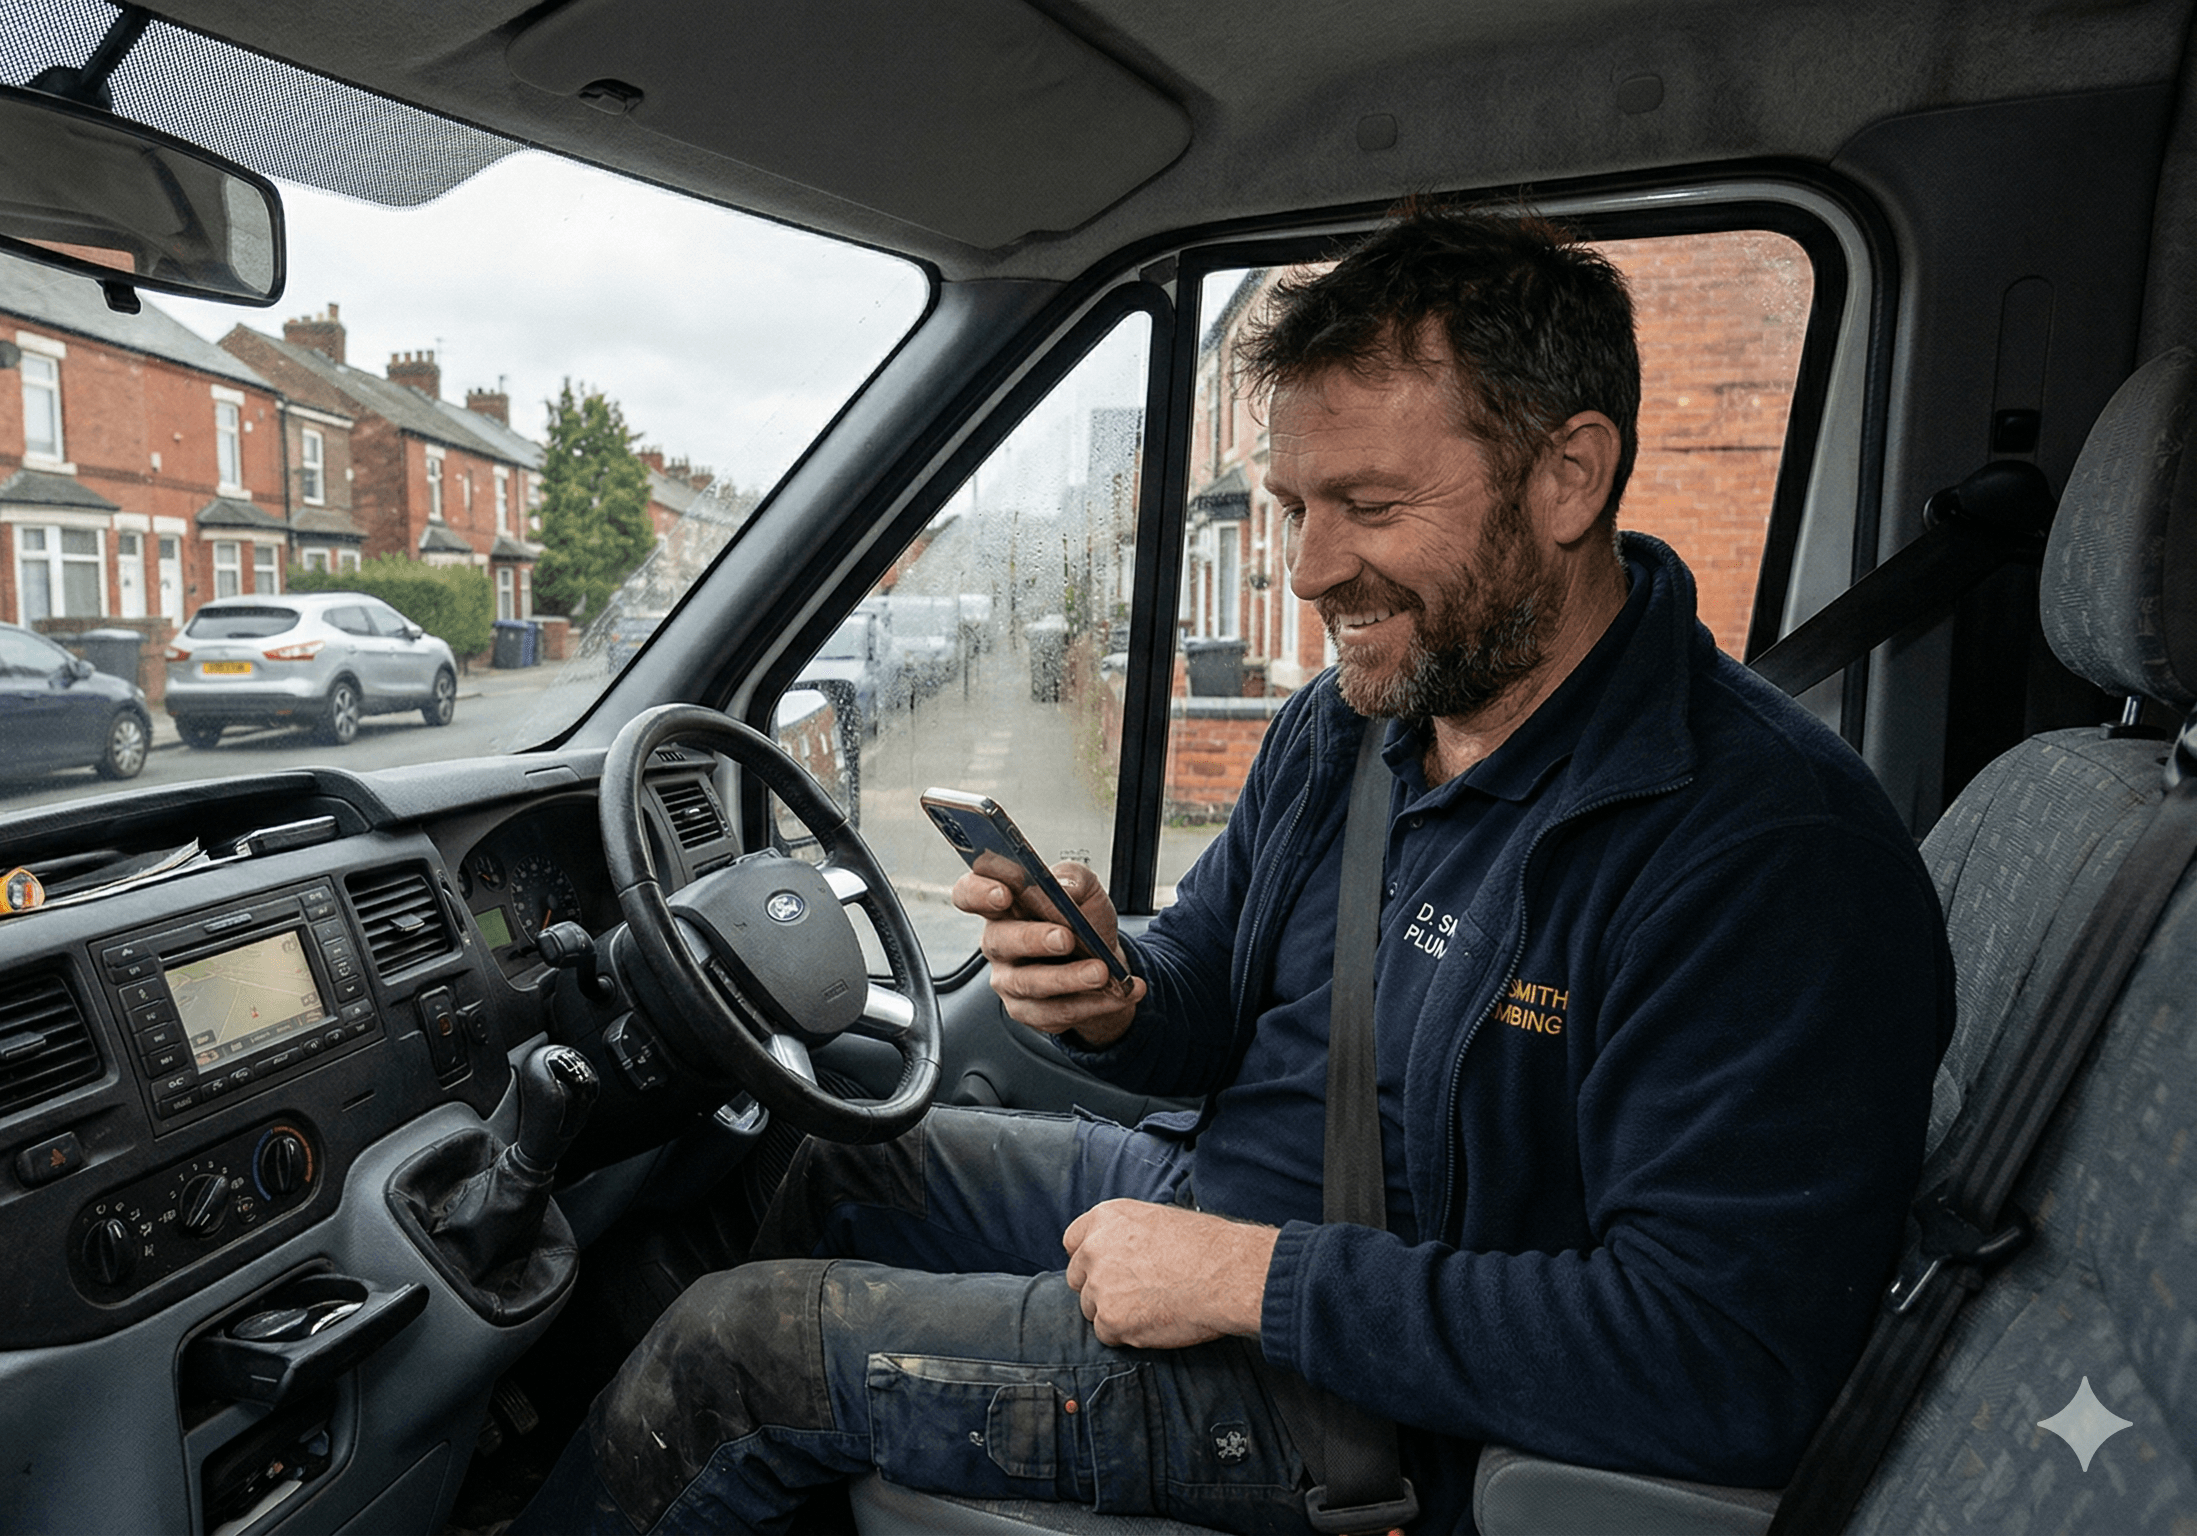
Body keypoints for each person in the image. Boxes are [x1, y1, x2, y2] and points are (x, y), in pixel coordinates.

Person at [510, 206, 1953, 1536]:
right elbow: (1212, 995)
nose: (1314, 569)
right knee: (829, 1156)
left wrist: (1248, 1281)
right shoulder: (1355, 725)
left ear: (1568, 475)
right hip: (1223, 1194)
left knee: (737, 1357)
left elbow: (1725, 1359)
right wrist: (1113, 993)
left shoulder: (1765, 853)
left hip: (1370, 1413)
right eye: (1292, 506)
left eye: (1373, 509)